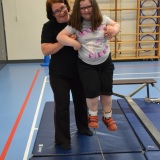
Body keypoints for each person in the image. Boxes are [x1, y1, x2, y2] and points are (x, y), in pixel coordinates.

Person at [57, 0, 120, 131]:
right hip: (87, 64)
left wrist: (113, 30)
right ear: (78, 10)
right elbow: (60, 36)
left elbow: (116, 25)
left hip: (105, 62)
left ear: (93, 6)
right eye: (82, 8)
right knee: (92, 91)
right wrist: (74, 43)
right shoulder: (76, 24)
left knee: (107, 91)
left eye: (88, 7)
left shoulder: (102, 19)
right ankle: (93, 115)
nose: (86, 11)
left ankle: (107, 117)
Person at [41, 0, 93, 150]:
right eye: (57, 11)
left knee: (81, 101)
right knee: (62, 106)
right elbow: (45, 50)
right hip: (59, 74)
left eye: (62, 7)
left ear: (67, 6)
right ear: (52, 14)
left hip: (79, 71)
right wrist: (65, 41)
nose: (62, 12)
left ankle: (83, 127)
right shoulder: (49, 27)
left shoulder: (78, 21)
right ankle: (62, 139)